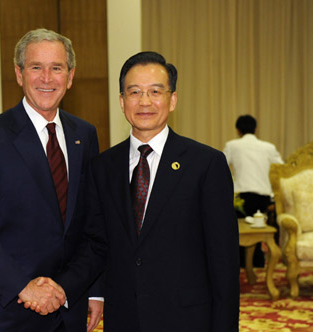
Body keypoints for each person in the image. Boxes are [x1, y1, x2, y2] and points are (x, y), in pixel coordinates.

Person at [32, 51, 239, 331]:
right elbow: (96, 244)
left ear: (173, 99)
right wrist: (67, 287)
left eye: (155, 91)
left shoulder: (206, 164)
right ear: (121, 101)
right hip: (125, 317)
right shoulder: (103, 167)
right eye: (134, 92)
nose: (144, 102)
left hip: (188, 319)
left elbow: (223, 261)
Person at [0, 28, 103, 332]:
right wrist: (23, 286)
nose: (46, 78)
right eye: (36, 67)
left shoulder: (84, 135)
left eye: (56, 68)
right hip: (7, 309)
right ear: (19, 74)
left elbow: (92, 222)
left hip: (68, 305)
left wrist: (93, 288)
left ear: (70, 76)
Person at [223, 114, 283, 267]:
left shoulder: (232, 145)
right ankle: (257, 262)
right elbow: (281, 169)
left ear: (237, 130)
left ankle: (242, 264)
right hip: (263, 197)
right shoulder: (269, 147)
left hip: (240, 197)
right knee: (258, 227)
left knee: (239, 231)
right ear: (256, 129)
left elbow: (221, 168)